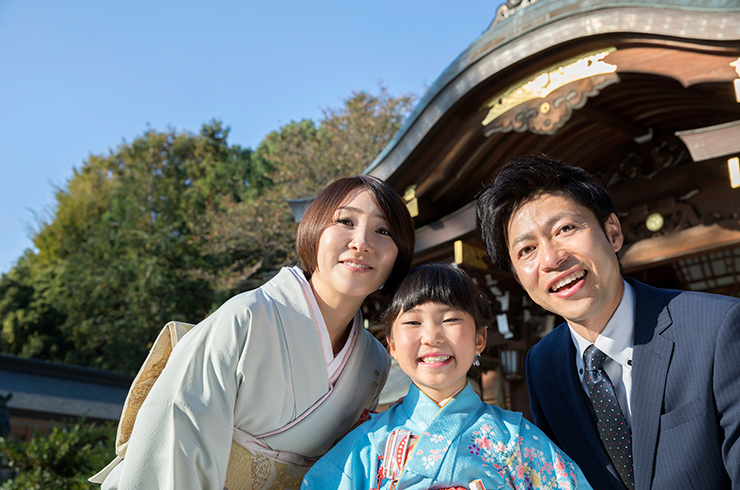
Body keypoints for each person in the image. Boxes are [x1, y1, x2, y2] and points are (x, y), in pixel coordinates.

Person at [97, 175, 416, 490]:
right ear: (314, 230)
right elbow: (177, 429)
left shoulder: (374, 363)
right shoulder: (247, 316)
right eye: (346, 221)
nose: (361, 242)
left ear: (398, 256)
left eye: (383, 231)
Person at [476, 154, 740, 490]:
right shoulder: (542, 363)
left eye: (565, 229)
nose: (552, 259)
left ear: (612, 232)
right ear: (517, 276)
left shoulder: (718, 328)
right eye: (526, 250)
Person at [302, 263, 593, 490]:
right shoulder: (367, 444)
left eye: (451, 319)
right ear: (391, 345)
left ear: (480, 339)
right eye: (413, 322)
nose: (432, 337)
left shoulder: (515, 438)